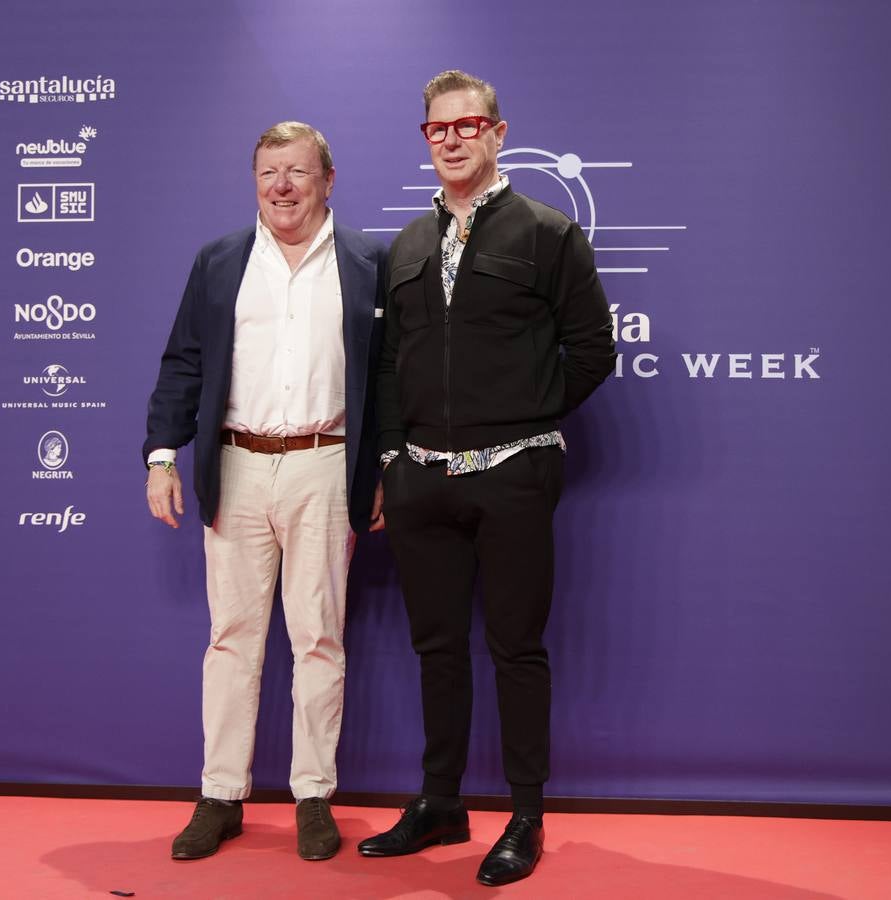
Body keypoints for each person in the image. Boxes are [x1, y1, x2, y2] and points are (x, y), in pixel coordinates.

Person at [359, 71, 615, 886]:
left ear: (498, 132)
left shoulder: (548, 233)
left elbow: (592, 352)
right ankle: (439, 803)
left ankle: (526, 814)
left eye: (468, 125)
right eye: (437, 129)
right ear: (426, 140)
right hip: (420, 483)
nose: (452, 140)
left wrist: (525, 418)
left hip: (513, 475)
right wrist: (394, 458)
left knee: (515, 648)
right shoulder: (402, 245)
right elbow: (390, 365)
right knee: (435, 648)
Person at [143, 121, 387, 863]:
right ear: (255, 180)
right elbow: (183, 361)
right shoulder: (219, 261)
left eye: (298, 172)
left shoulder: (370, 262)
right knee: (231, 639)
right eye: (269, 171)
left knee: (318, 636)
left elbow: (393, 376)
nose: (282, 186)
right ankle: (220, 795)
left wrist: (382, 469)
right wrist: (161, 454)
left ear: (328, 179)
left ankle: (314, 795)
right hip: (237, 463)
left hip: (327, 461)